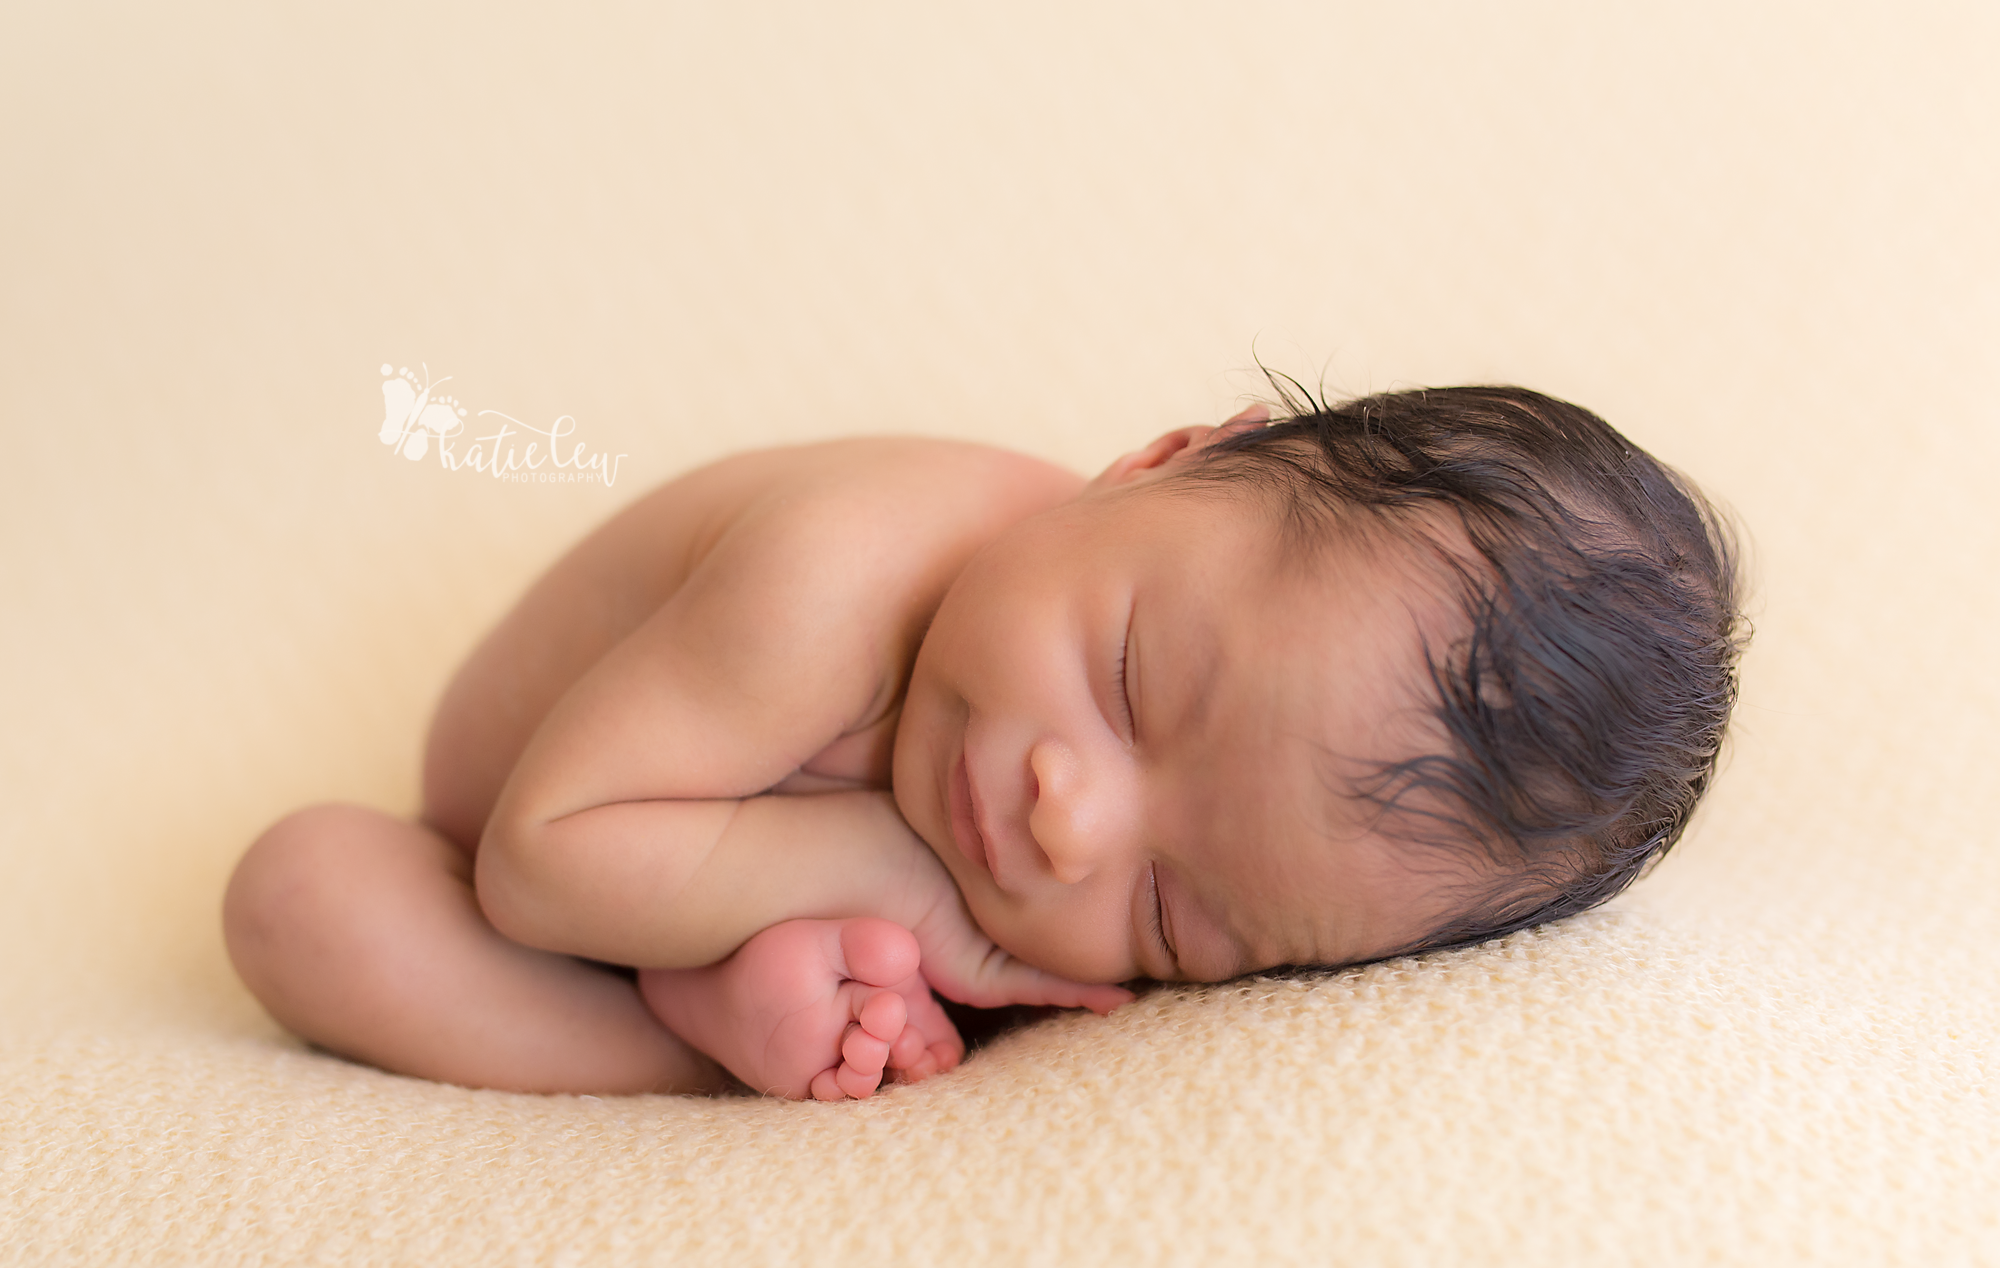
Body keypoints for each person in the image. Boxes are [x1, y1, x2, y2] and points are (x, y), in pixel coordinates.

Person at [224, 383, 1746, 1101]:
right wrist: (916, 894)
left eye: (1174, 913)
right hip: (525, 847)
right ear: (1166, 460)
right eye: (1134, 680)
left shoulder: (1032, 781)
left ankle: (769, 1001)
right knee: (302, 891)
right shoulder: (840, 572)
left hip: (694, 885)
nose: (1068, 823)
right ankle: (683, 1048)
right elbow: (536, 870)